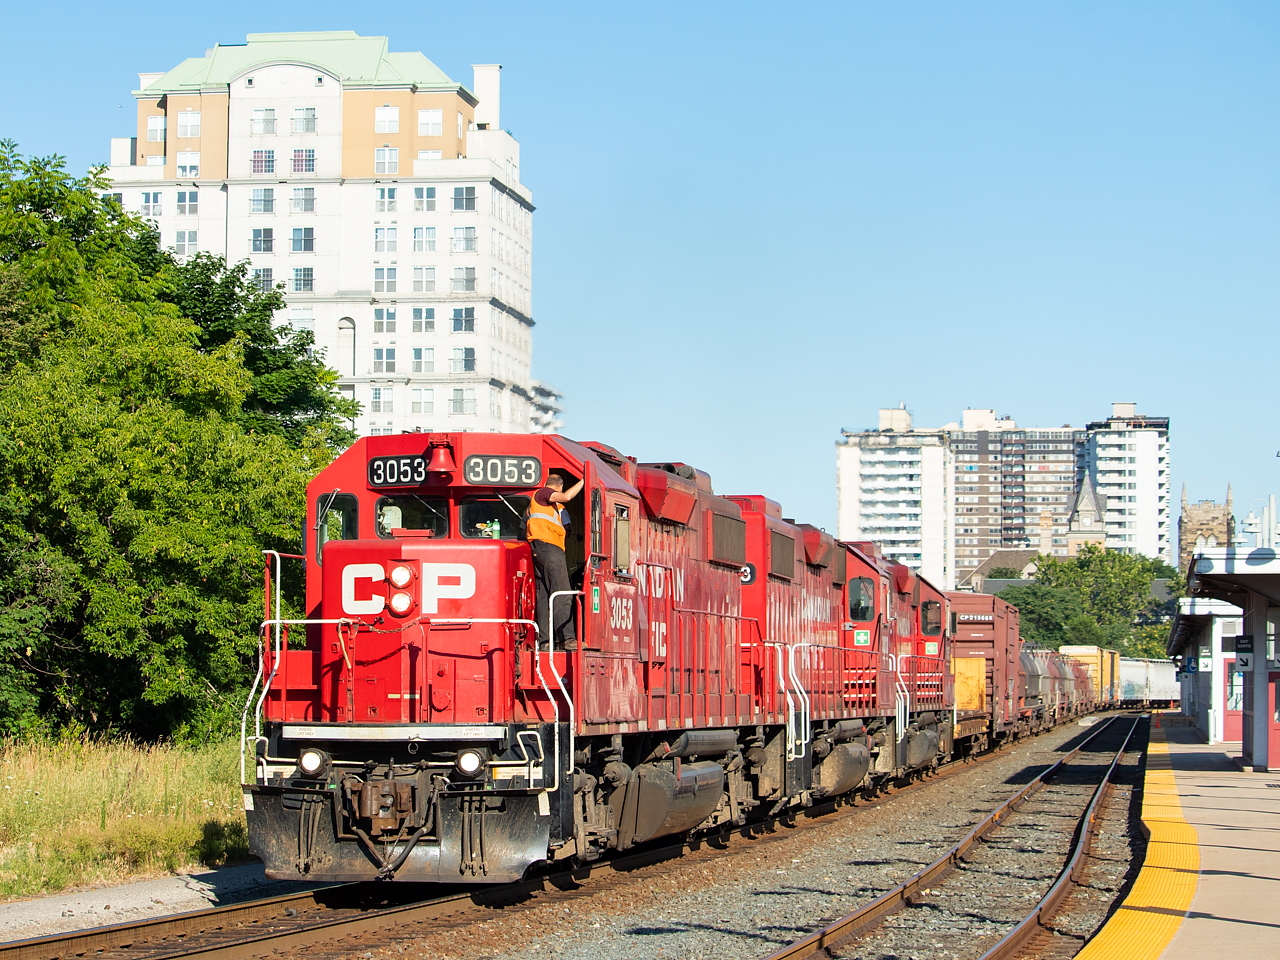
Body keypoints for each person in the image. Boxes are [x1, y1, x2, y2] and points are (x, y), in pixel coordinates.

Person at [526, 472, 584, 650]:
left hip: (539, 549)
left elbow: (567, 528)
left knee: (544, 596)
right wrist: (585, 480)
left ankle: (544, 641)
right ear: (558, 486)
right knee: (563, 592)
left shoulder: (545, 506)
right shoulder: (543, 493)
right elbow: (567, 496)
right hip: (549, 548)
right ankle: (566, 638)